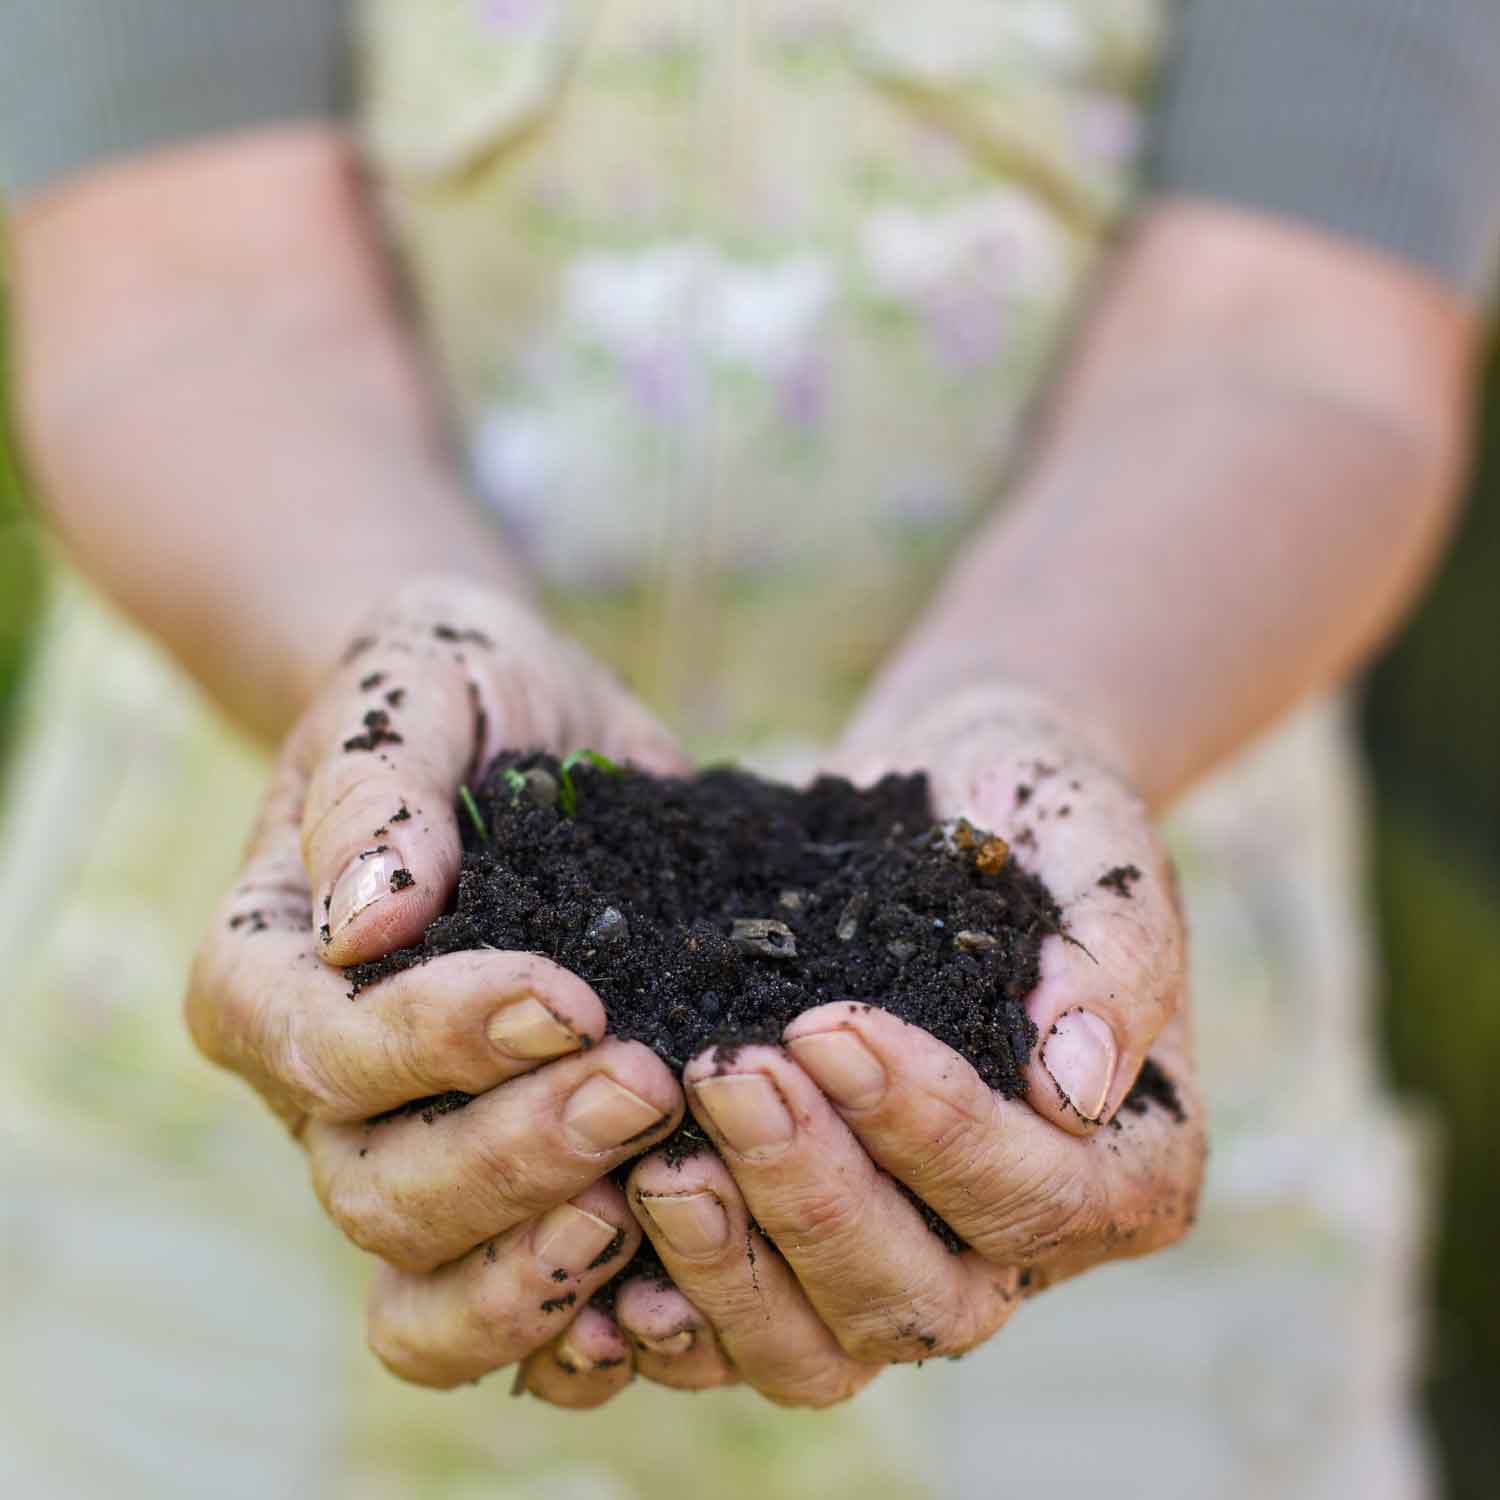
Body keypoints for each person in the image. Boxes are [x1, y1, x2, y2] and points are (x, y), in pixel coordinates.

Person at [2, 2, 1496, 1496]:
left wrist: (1045, 704)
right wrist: (390, 650)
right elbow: (186, 285)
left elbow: (1300, 331)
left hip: (1082, 1182)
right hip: (232, 1208)